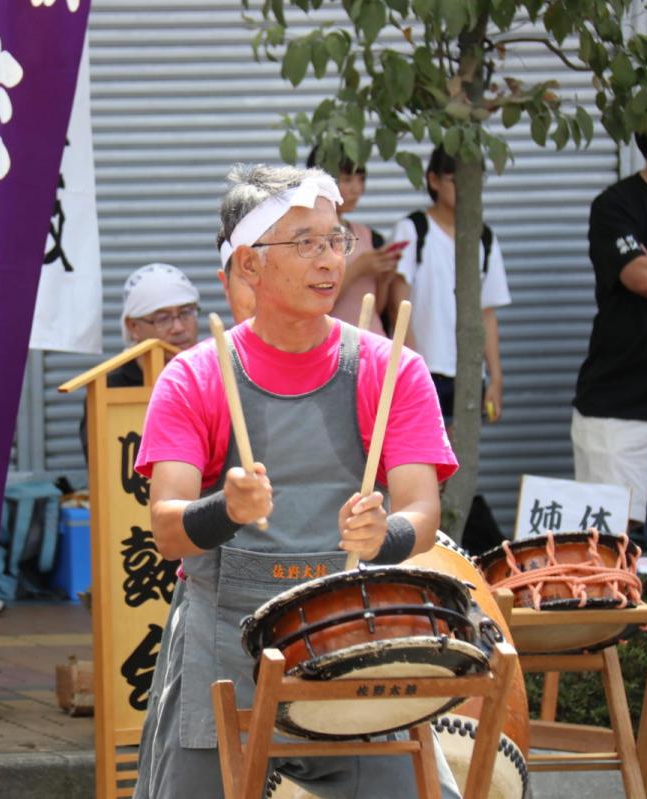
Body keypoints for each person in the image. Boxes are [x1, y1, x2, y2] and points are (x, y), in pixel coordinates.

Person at [133, 164, 459, 798]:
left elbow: (423, 512)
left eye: (335, 239)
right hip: (224, 643)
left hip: (352, 631)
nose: (329, 259)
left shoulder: (390, 369)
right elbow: (168, 530)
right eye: (304, 243)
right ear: (249, 266)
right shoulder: (193, 377)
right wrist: (225, 508)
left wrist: (383, 535)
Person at [572, 118, 647, 555]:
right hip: (618, 400)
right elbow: (641, 276)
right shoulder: (615, 206)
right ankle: (617, 626)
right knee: (609, 537)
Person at [389, 146, 511, 427]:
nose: (467, 189)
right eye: (456, 180)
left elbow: (488, 314)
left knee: (460, 459)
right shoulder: (413, 230)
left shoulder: (484, 237)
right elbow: (398, 306)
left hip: (468, 372)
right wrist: (410, 371)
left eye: (475, 181)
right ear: (433, 180)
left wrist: (495, 377)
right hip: (423, 370)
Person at [78, 262, 201, 459]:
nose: (178, 327)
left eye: (186, 313)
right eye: (163, 318)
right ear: (133, 326)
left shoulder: (215, 375)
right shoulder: (110, 388)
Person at [306, 147, 403, 335]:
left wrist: (384, 278)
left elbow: (376, 307)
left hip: (372, 342)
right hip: (333, 345)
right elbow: (312, 303)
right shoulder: (307, 238)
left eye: (361, 180)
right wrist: (359, 268)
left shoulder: (367, 235)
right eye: (347, 179)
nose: (356, 189)